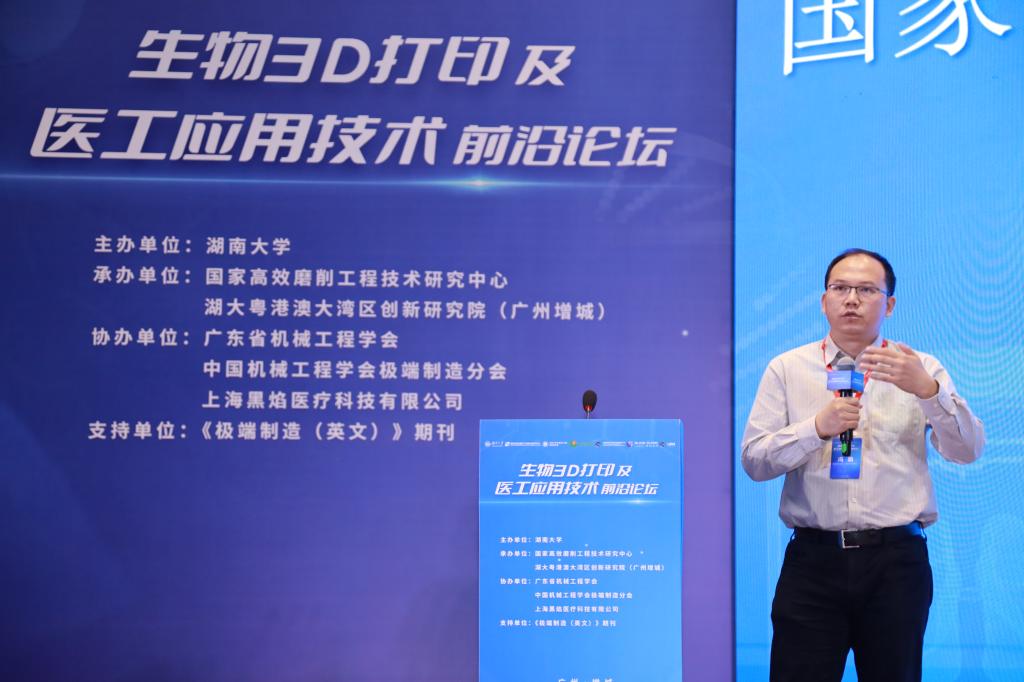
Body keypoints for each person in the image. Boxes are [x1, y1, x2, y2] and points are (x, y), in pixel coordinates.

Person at [741, 249, 984, 682]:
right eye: (840, 288)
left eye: (867, 290)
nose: (851, 299)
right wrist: (815, 429)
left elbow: (967, 450)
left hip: (896, 563)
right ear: (824, 301)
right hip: (813, 561)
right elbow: (755, 462)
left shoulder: (921, 367)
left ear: (889, 305)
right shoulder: (787, 369)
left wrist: (928, 392)